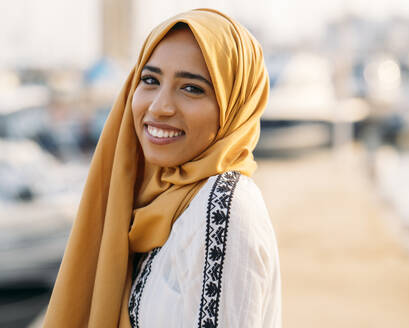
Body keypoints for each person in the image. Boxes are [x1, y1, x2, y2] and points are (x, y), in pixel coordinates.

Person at [43, 8, 281, 328]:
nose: (159, 107)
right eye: (150, 80)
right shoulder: (159, 200)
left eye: (192, 88)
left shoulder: (223, 207)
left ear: (234, 105)